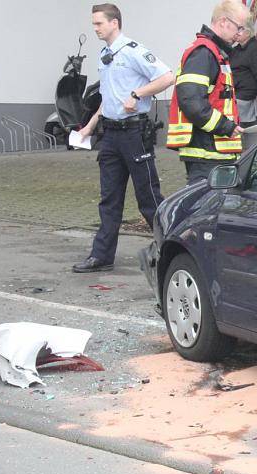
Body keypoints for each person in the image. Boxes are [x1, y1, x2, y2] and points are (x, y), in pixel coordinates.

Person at [73, 3, 173, 273]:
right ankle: (101, 256)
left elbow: (167, 77)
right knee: (109, 198)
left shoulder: (133, 51)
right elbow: (108, 99)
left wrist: (137, 94)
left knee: (148, 198)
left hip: (134, 134)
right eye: (94, 24)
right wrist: (88, 128)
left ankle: (171, 251)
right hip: (111, 135)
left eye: (99, 24)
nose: (95, 28)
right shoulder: (105, 55)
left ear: (114, 23)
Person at [167, 0, 248, 184]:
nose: (240, 34)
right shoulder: (203, 53)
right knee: (203, 208)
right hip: (206, 153)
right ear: (223, 22)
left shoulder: (216, 53)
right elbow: (192, 102)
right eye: (239, 28)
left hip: (214, 152)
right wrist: (226, 127)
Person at [231, 21, 257, 126]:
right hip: (234, 96)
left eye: (240, 29)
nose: (237, 32)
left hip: (244, 99)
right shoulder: (235, 50)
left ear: (249, 32)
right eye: (236, 28)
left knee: (239, 130)